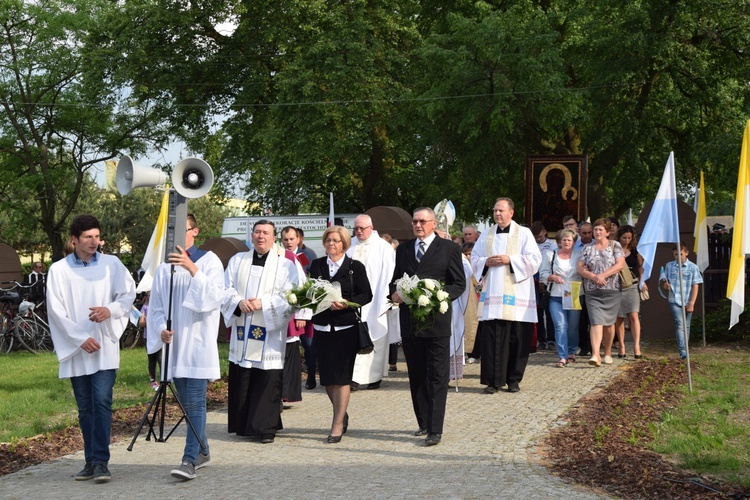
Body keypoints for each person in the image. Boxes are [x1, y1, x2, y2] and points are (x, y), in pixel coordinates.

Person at [47, 215, 136, 483]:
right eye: (88, 237)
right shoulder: (59, 270)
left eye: (97, 236)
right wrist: (79, 339)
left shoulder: (112, 264)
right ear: (74, 240)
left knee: (101, 401)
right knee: (85, 407)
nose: (94, 242)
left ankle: (101, 462)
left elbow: (128, 295)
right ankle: (90, 461)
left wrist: (110, 310)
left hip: (104, 345)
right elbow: (55, 310)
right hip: (78, 350)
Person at [147, 213, 224, 480]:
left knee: (195, 402)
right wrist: (160, 330)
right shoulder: (162, 268)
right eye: (172, 231)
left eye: (183, 229)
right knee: (188, 403)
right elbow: (155, 307)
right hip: (174, 345)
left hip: (197, 342)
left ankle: (189, 460)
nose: (177, 235)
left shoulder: (209, 261)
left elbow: (215, 297)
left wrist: (192, 268)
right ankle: (202, 449)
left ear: (195, 231)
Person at [389, 208, 465, 446]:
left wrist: (439, 295)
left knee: (437, 376)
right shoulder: (403, 249)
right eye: (415, 221)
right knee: (417, 374)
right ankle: (423, 421)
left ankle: (436, 428)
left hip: (436, 322)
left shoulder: (450, 249)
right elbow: (395, 279)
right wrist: (394, 293)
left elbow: (459, 284)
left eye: (422, 221)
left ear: (434, 224)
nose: (418, 225)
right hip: (410, 321)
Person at [222, 220, 300, 444]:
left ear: (274, 238)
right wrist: (238, 302)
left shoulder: (285, 265)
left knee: (267, 376)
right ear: (252, 235)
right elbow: (224, 289)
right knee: (244, 373)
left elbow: (291, 296)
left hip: (268, 331)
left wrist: (263, 304)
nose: (260, 236)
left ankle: (266, 428)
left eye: (266, 233)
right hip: (242, 328)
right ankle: (243, 425)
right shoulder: (238, 260)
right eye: (257, 232)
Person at [309, 226, 372, 443]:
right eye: (328, 240)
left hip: (346, 328)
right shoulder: (316, 265)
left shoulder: (355, 267)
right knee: (327, 378)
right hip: (322, 327)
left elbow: (367, 294)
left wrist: (347, 304)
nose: (331, 244)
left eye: (335, 241)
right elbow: (308, 292)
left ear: (344, 243)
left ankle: (336, 424)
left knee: (342, 377)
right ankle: (341, 411)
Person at [473, 198, 542, 394]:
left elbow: (535, 260)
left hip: (517, 297)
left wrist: (509, 260)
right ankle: (492, 382)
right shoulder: (486, 234)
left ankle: (513, 380)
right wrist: (487, 261)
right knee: (492, 340)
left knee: (517, 338)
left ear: (511, 212)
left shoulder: (524, 233)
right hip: (493, 296)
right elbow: (475, 260)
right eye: (495, 211)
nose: (497, 214)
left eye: (501, 210)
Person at [347, 214, 395, 390]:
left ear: (371, 228)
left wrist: (385, 299)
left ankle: (374, 377)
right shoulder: (349, 245)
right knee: (355, 336)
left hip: (376, 298)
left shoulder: (383, 247)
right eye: (356, 228)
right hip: (354, 299)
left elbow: (389, 273)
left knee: (377, 336)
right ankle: (354, 377)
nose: (359, 232)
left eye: (362, 228)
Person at [577, 218, 625, 367]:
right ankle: (596, 354)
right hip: (593, 291)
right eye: (595, 230)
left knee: (609, 324)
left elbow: (620, 264)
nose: (597, 232)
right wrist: (593, 276)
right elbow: (580, 267)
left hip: (611, 290)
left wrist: (604, 275)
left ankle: (608, 352)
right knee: (596, 322)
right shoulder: (587, 248)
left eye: (600, 230)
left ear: (607, 232)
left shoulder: (615, 245)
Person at [539, 229, 582, 367]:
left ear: (574, 242)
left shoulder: (579, 255)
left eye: (569, 240)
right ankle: (562, 356)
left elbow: (584, 272)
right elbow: (543, 274)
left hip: (574, 294)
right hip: (556, 295)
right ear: (560, 242)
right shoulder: (550, 255)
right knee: (560, 326)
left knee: (573, 327)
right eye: (564, 240)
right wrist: (553, 277)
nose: (566, 242)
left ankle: (571, 351)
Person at [280, 225, 317, 390]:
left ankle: (311, 375)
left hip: (302, 307)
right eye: (285, 239)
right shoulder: (278, 256)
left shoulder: (307, 255)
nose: (288, 242)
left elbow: (310, 283)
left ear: (298, 239)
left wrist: (304, 312)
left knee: (308, 344)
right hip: (285, 308)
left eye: (291, 239)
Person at [659, 242, 702, 359]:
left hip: (687, 300)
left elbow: (695, 285)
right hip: (674, 299)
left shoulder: (693, 267)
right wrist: (665, 284)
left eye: (681, 254)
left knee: (686, 325)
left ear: (686, 253)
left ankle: (685, 347)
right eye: (675, 254)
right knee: (679, 323)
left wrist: (691, 303)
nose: (678, 257)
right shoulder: (669, 266)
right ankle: (682, 350)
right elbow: (665, 281)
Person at [614, 225, 645, 359]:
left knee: (634, 316)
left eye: (629, 238)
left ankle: (637, 346)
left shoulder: (634, 251)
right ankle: (621, 345)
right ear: (619, 237)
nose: (626, 240)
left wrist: (642, 282)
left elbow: (640, 268)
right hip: (617, 286)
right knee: (619, 317)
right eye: (624, 238)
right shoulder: (613, 250)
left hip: (632, 285)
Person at [531, 221, 557, 351]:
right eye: (535, 237)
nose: (538, 239)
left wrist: (544, 280)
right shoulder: (530, 245)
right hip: (533, 281)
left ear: (545, 232)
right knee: (538, 312)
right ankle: (541, 339)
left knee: (550, 311)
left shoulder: (552, 245)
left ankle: (551, 339)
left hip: (548, 281)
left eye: (540, 237)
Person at [574, 222, 594, 356]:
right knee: (580, 318)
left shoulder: (596, 245)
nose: (587, 236)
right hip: (577, 285)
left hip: (593, 285)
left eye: (589, 233)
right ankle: (583, 345)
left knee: (593, 318)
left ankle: (594, 346)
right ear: (579, 233)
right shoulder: (575, 247)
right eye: (584, 233)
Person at [138, 293, 160, 391]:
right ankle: (153, 380)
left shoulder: (160, 307)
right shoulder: (145, 307)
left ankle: (164, 380)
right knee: (152, 359)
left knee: (161, 358)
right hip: (148, 337)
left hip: (159, 337)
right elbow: (141, 322)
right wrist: (150, 321)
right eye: (149, 295)